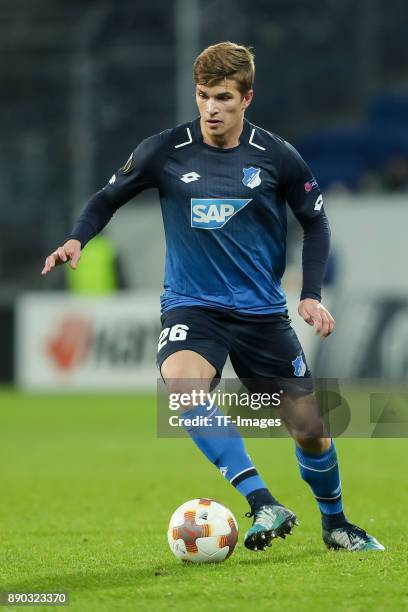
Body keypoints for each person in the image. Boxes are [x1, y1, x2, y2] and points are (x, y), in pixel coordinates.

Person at [42, 42, 383, 553]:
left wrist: (310, 295)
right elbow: (107, 197)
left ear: (247, 97)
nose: (211, 109)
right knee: (183, 387)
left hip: (261, 315)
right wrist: (76, 238)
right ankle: (261, 500)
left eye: (223, 97)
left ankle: (335, 525)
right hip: (192, 306)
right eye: (203, 96)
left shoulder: (277, 156)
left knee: (310, 429)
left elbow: (316, 222)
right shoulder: (164, 150)